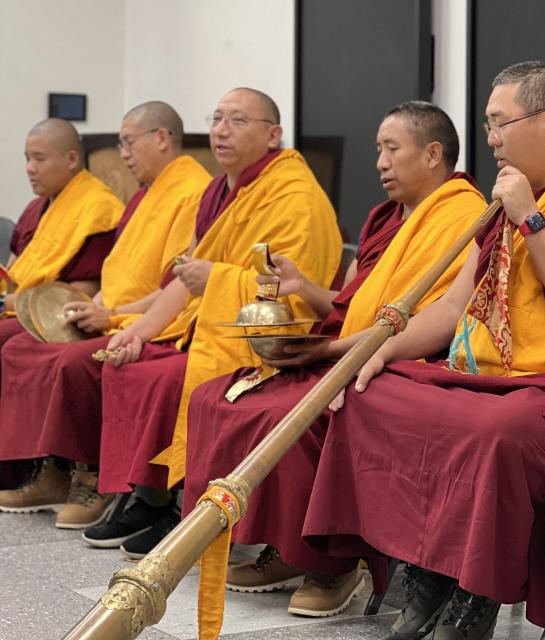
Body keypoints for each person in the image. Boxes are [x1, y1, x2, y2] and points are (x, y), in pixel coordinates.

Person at [295, 62, 545, 640]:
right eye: (487, 124)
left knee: (498, 430)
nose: (490, 139)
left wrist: (530, 216)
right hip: (496, 374)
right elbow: (454, 309)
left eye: (500, 123)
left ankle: (479, 589)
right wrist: (380, 352)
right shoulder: (504, 198)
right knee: (371, 395)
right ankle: (427, 570)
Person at [181, 101, 487, 622]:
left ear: (434, 154)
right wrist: (305, 291)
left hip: (404, 359)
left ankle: (336, 562)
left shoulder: (461, 216)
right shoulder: (384, 217)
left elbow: (429, 321)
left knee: (296, 412)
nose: (380, 163)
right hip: (349, 345)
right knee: (222, 395)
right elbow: (350, 305)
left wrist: (327, 351)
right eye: (377, 151)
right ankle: (285, 547)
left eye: (391, 149)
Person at [53, 87, 341, 557]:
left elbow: (287, 296)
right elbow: (186, 282)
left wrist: (218, 279)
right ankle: (149, 497)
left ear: (274, 134)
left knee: (165, 377)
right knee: (130, 361)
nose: (221, 130)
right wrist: (134, 329)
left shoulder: (294, 195)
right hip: (205, 323)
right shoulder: (217, 191)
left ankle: (180, 505)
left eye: (237, 121)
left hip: (259, 338)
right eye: (217, 118)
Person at [0, 101, 211, 529]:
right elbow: (117, 270)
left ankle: (90, 477)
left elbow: (175, 284)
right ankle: (49, 469)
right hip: (113, 311)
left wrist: (111, 315)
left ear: (162, 139)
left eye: (128, 142)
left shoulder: (194, 191)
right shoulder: (143, 194)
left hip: (151, 319)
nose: (123, 153)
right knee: (23, 346)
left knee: (73, 360)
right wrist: (99, 309)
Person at [0, 118, 123, 490]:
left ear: (72, 158)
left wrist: (19, 300)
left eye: (38, 158)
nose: (29, 168)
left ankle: (25, 467)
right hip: (20, 303)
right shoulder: (38, 209)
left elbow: (88, 284)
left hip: (60, 312)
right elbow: (19, 267)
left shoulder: (98, 207)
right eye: (26, 158)